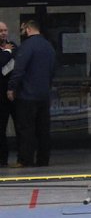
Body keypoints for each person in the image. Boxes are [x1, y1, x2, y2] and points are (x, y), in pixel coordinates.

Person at [7, 20, 56, 168]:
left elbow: (19, 70)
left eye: (22, 29)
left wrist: (11, 88)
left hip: (27, 95)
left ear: (28, 29)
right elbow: (52, 69)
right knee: (43, 129)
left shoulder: (27, 46)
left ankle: (25, 159)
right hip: (44, 94)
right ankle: (43, 159)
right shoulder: (48, 46)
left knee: (26, 128)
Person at [0, 22, 18, 167]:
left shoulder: (13, 46)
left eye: (5, 30)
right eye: (0, 31)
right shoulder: (7, 50)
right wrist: (6, 53)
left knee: (20, 125)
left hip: (14, 92)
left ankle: (23, 157)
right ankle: (2, 159)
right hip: (1, 94)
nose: (3, 33)